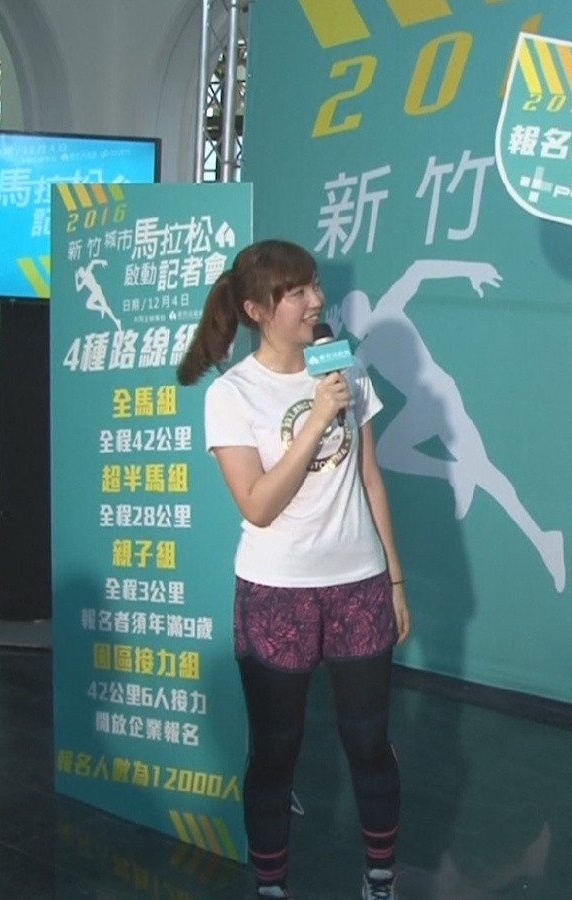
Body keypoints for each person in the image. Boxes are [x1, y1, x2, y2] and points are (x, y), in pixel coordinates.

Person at [177, 239, 410, 900]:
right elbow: (258, 505)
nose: (316, 301)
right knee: (276, 752)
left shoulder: (346, 368)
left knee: (369, 743)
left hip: (360, 585)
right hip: (276, 593)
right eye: (297, 292)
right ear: (256, 310)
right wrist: (317, 418)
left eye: (315, 286)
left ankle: (380, 878)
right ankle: (271, 886)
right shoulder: (233, 394)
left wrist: (394, 579)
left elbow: (370, 477)